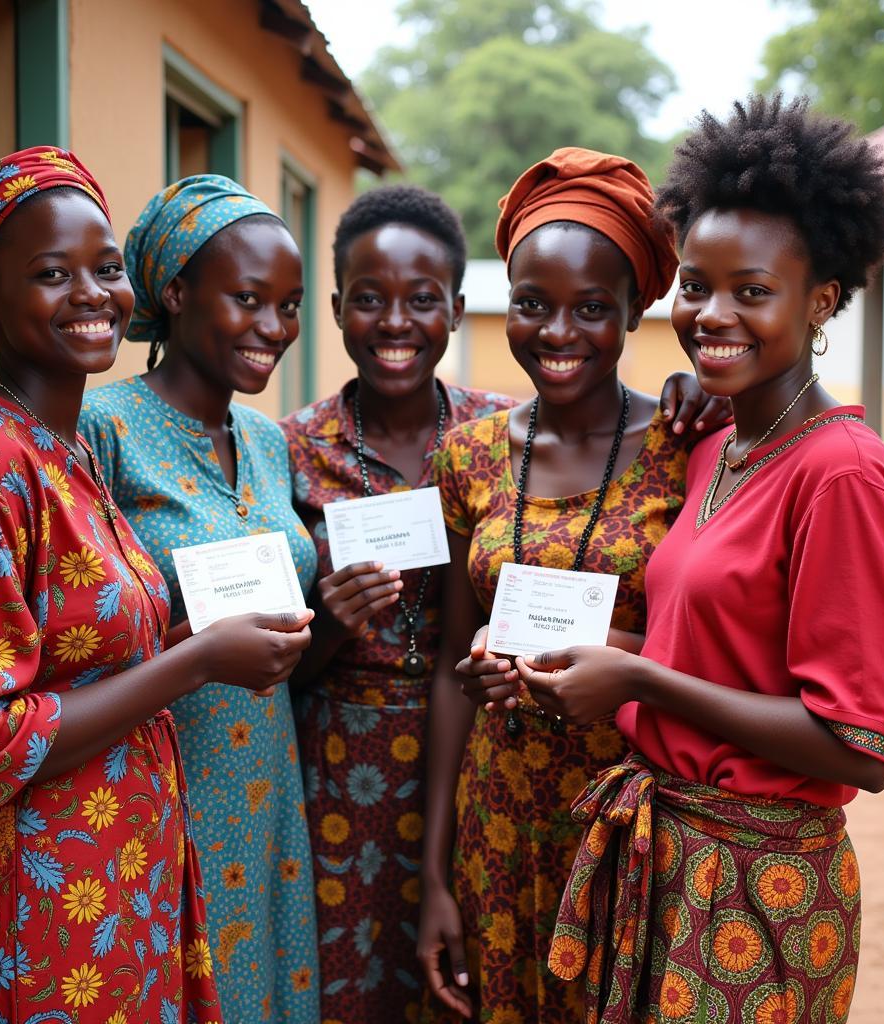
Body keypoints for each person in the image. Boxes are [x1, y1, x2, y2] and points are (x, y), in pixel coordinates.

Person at [523, 96, 884, 1022]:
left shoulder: (842, 472)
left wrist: (639, 682)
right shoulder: (718, 444)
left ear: (821, 299)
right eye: (695, 285)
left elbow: (864, 744)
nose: (711, 314)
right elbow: (708, 644)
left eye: (752, 290)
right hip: (668, 865)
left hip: (759, 895)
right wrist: (569, 659)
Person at [0, 147, 308, 1023]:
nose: (92, 294)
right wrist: (197, 662)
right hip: (37, 910)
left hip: (124, 885)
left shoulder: (66, 450)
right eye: (52, 274)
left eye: (104, 268)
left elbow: (83, 662)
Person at [417, 148, 727, 1023]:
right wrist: (436, 873)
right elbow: (450, 664)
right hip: (499, 823)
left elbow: (716, 641)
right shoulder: (468, 455)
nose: (557, 334)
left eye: (592, 308)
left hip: (640, 821)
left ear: (637, 311)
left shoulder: (688, 446)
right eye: (532, 305)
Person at [79, 175, 321, 1023]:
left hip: (266, 776)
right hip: (163, 778)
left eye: (289, 306)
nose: (273, 329)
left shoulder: (265, 439)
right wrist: (191, 644)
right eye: (248, 299)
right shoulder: (101, 429)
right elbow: (79, 634)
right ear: (175, 291)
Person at [279, 184, 513, 1024]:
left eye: (421, 300)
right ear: (338, 308)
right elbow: (276, 669)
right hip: (340, 770)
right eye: (369, 299)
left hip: (486, 753)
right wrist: (331, 626)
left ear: (455, 306)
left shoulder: (507, 437)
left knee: (470, 984)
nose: (395, 322)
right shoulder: (289, 450)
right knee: (350, 984)